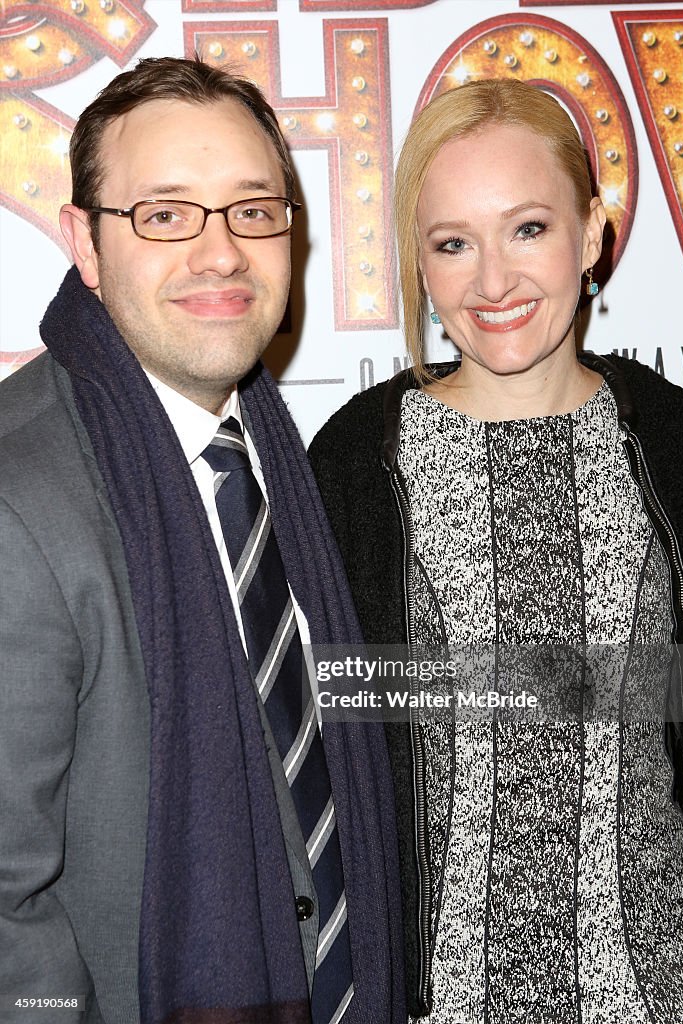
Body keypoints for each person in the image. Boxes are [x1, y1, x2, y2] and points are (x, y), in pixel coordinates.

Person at [0, 57, 404, 1024]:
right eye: (166, 214)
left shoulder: (286, 458)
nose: (221, 253)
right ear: (84, 246)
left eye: (253, 210)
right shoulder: (19, 499)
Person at [309, 79, 683, 1021]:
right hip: (433, 994)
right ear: (419, 261)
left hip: (667, 985)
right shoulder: (356, 462)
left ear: (593, 232)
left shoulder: (675, 440)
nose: (493, 283)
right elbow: (334, 710)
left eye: (527, 228)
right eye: (453, 243)